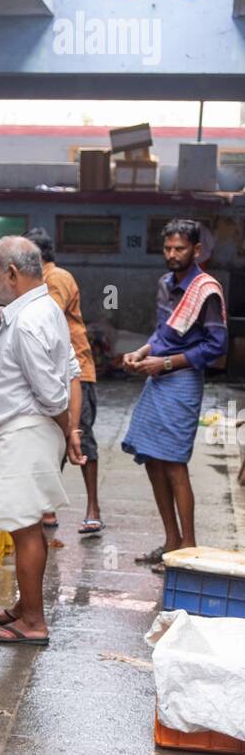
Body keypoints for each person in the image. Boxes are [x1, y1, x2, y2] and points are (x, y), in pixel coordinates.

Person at [0, 237, 83, 646]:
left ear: (13, 274)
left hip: (25, 434)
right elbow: (70, 368)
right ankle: (25, 606)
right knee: (31, 526)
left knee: (24, 530)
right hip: (29, 433)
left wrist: (69, 431)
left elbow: (53, 393)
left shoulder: (31, 320)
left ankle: (33, 622)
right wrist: (69, 431)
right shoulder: (42, 308)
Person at [122, 218, 227, 569]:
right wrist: (141, 353)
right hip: (159, 377)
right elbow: (161, 334)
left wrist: (165, 364)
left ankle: (188, 547)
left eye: (179, 249)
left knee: (174, 465)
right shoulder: (165, 284)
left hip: (182, 381)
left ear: (196, 251)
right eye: (167, 248)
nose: (172, 254)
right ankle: (170, 540)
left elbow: (216, 345)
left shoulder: (206, 290)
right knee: (153, 459)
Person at [24, 227, 103, 537]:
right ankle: (47, 506)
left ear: (37, 256)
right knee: (52, 439)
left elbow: (46, 316)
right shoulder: (37, 283)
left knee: (81, 436)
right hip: (51, 372)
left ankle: (93, 508)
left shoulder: (56, 278)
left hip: (76, 372)